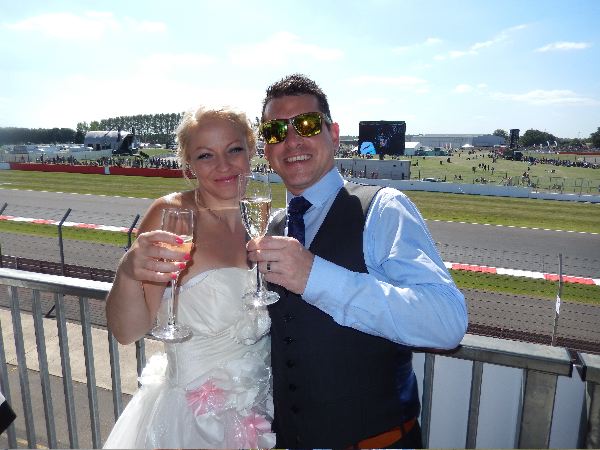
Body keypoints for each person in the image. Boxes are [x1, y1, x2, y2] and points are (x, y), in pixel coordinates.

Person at [247, 74, 468, 448]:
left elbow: (446, 322)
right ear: (265, 150)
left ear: (333, 134)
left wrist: (315, 276)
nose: (291, 140)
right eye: (275, 131)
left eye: (306, 124)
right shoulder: (274, 225)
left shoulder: (382, 209)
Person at [103, 106, 275, 449]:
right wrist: (127, 272)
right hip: (192, 421)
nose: (224, 165)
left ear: (251, 150)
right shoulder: (172, 215)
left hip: (257, 410)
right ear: (188, 164)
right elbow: (127, 331)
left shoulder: (259, 218)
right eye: (206, 155)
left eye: (234, 149)